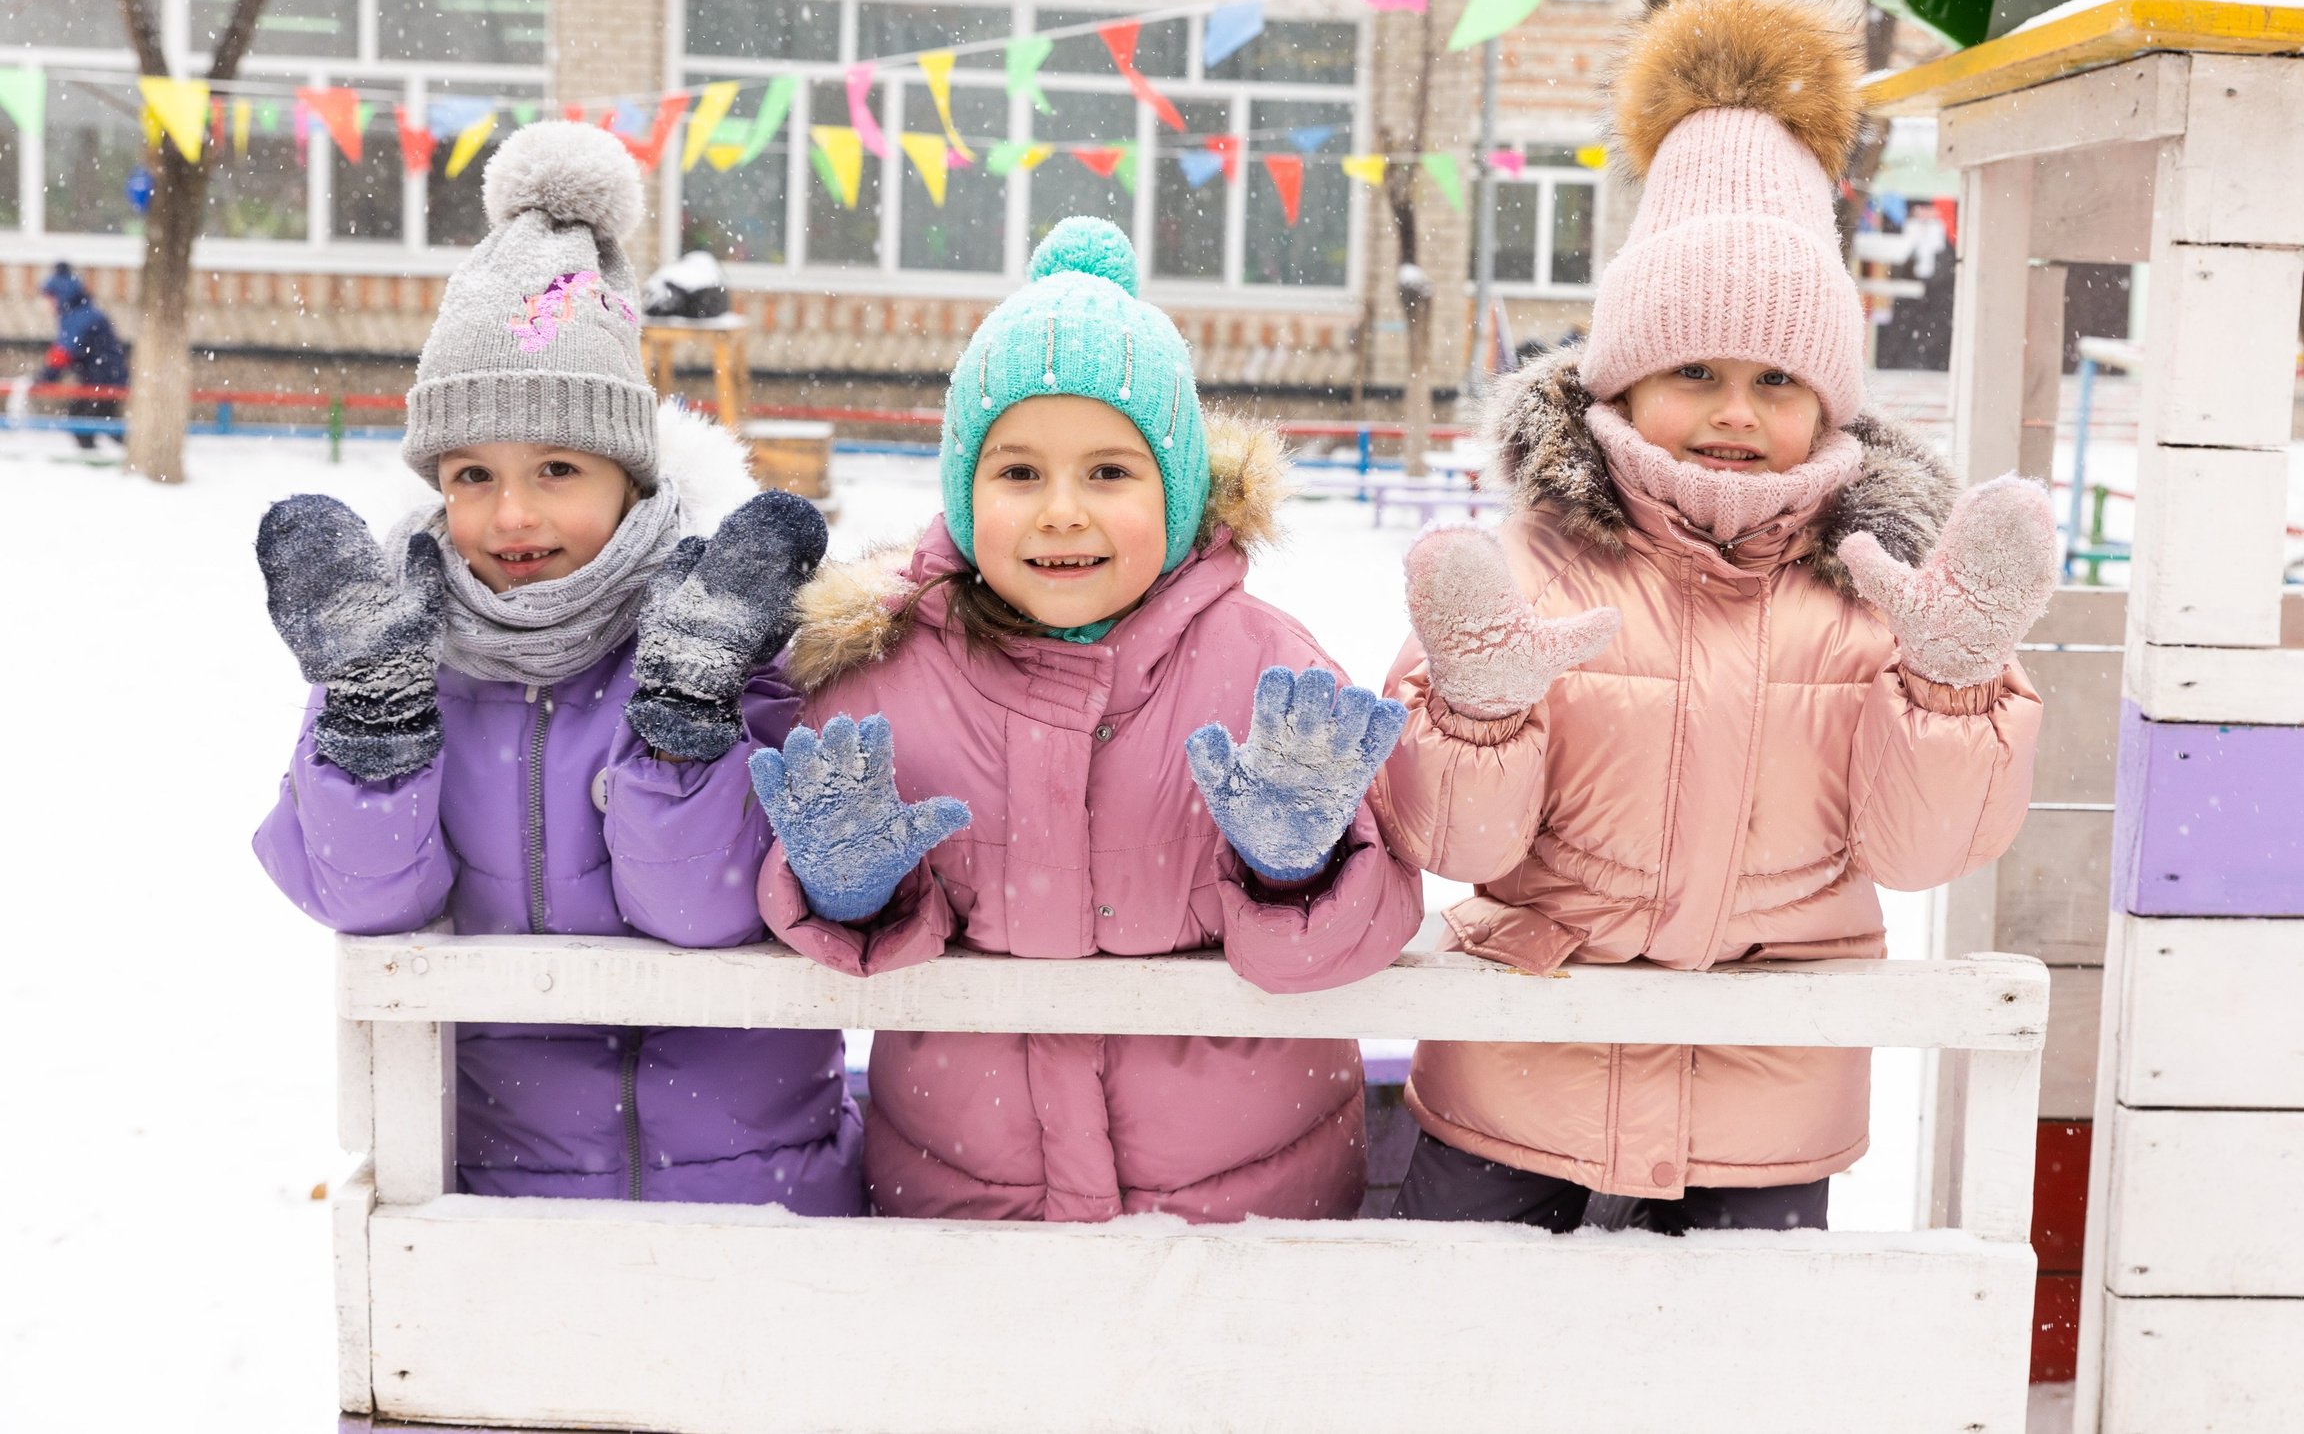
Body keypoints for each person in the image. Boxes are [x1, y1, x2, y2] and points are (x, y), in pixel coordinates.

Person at [1375, 0, 2052, 1235]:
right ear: (1622, 384)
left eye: (1774, 379)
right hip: (1524, 1058)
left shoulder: (1871, 598)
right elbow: (1452, 846)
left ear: (1829, 402)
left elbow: (1914, 856)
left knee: (1740, 1380)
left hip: (1766, 1090)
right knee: (1457, 1359)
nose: (1736, 413)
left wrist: (1948, 687)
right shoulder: (1532, 571)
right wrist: (1476, 717)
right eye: (1694, 372)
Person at [754, 217, 1423, 1222]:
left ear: (1179, 488)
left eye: (1108, 472)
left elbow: (1356, 938)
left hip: (1241, 1214)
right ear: (965, 493)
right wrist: (854, 898)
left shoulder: (1265, 671)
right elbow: (859, 957)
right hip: (968, 1204)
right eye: (1019, 472)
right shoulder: (882, 684)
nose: (1060, 510)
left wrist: (1300, 871)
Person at [251, 122, 863, 1213]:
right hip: (498, 1184)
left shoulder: (726, 629)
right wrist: (377, 734)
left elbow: (710, 913)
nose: (512, 513)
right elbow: (363, 901)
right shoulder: (394, 653)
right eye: (473, 472)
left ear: (631, 478)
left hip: (752, 1190)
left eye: (558, 467)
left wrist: (685, 717)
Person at [38, 262, 128, 450]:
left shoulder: (77, 318)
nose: (45, 305)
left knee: (83, 423)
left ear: (59, 297)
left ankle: (108, 461)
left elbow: (63, 352)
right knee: (102, 423)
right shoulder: (82, 312)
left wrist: (46, 377)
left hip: (103, 383)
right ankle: (127, 455)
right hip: (105, 379)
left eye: (48, 299)